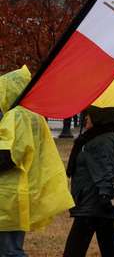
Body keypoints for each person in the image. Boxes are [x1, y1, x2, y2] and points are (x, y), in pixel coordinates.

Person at [0, 66, 74, 257]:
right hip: (17, 192)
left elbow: (8, 156)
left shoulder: (17, 116)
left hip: (8, 194)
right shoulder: (33, 115)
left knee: (9, 251)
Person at [63, 106, 114, 257]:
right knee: (110, 246)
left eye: (89, 115)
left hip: (94, 202)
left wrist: (104, 196)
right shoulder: (98, 136)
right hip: (96, 202)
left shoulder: (100, 141)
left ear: (99, 117)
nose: (85, 118)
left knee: (74, 249)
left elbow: (106, 170)